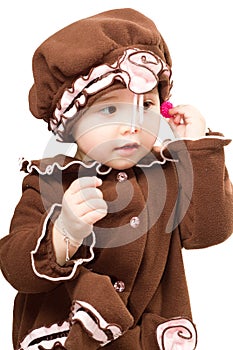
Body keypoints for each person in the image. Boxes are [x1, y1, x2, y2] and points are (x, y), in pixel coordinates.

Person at [0, 8, 232, 350]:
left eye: (148, 106)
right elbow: (14, 268)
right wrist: (64, 233)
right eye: (110, 110)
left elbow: (210, 232)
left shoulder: (165, 173)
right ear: (70, 122)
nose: (133, 124)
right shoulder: (49, 182)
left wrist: (194, 148)